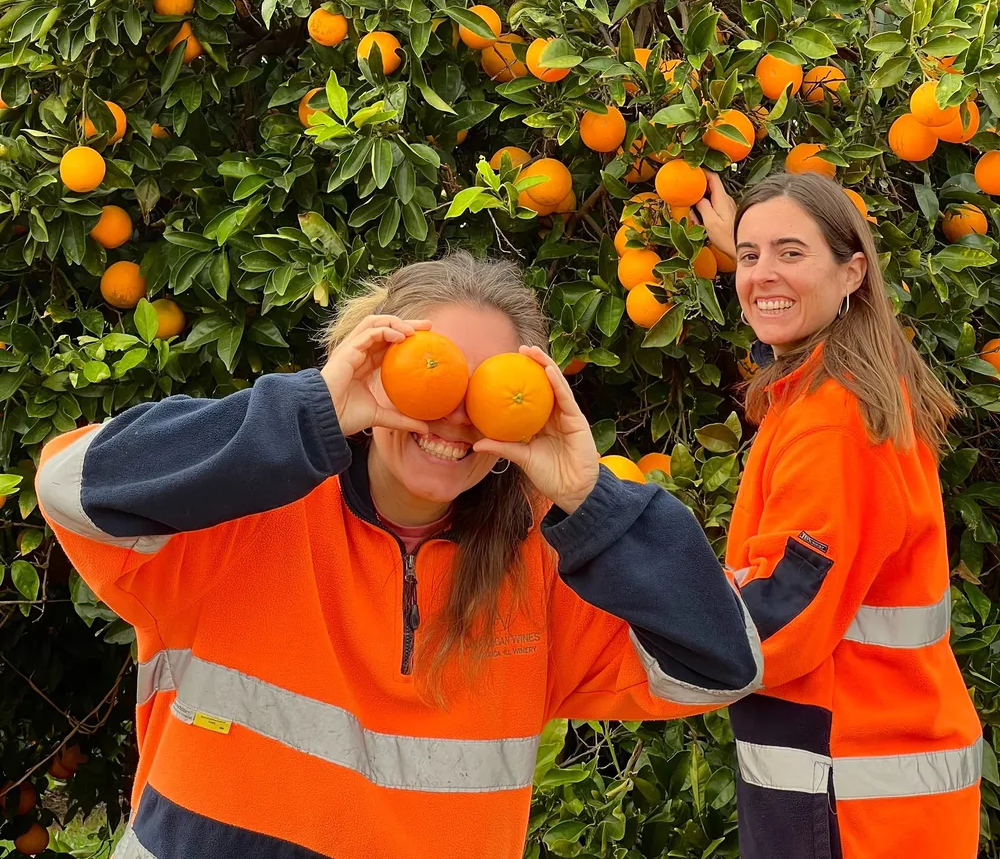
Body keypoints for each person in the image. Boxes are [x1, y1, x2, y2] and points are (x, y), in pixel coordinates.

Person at [36, 252, 762, 859]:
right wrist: (306, 414)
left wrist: (590, 496)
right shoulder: (249, 502)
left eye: (485, 388)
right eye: (433, 373)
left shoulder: (540, 558)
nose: (455, 415)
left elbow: (721, 665)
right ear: (375, 364)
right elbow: (67, 487)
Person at [691, 172, 983, 859]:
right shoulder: (851, 380)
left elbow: (775, 622)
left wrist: (631, 587)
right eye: (751, 255)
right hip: (883, 779)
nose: (761, 273)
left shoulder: (833, 424)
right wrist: (766, 264)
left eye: (791, 252)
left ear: (852, 273)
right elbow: (789, 330)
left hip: (847, 790)